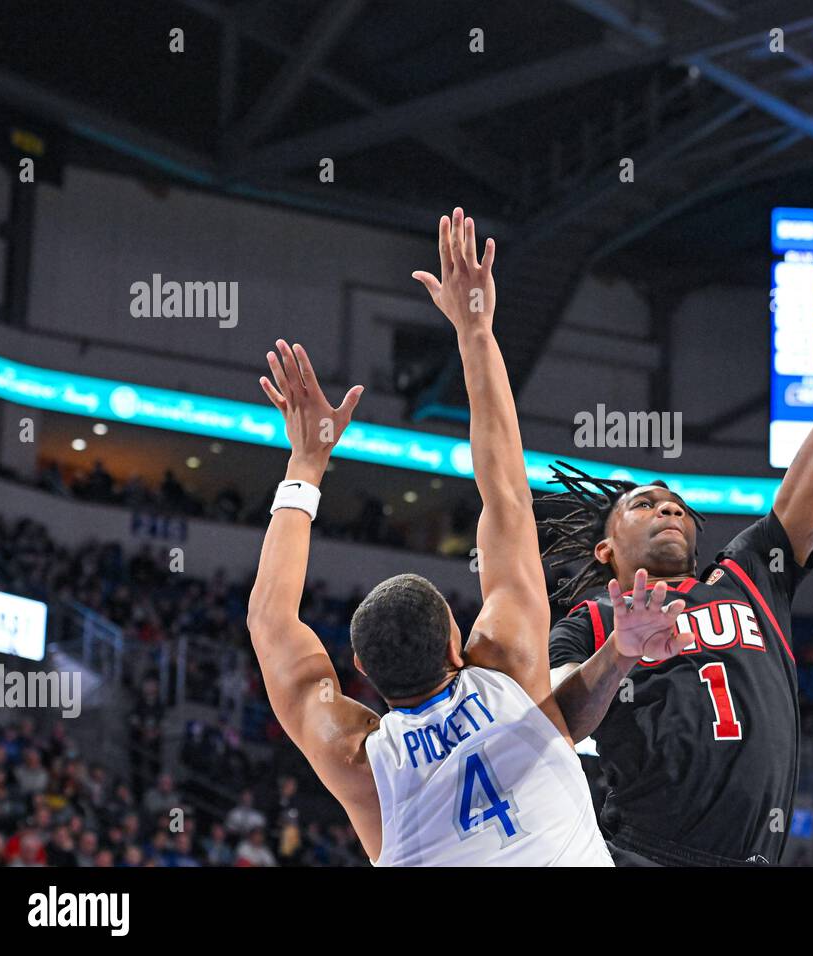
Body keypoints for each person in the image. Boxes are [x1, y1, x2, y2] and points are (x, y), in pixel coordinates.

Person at [544, 194, 813, 866]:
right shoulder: (589, 623)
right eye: (645, 504)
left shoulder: (750, 575)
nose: (668, 509)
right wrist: (621, 651)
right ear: (606, 548)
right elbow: (558, 725)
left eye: (676, 504)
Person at [246, 208, 620, 865]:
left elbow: (269, 621)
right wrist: (475, 330)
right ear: (458, 639)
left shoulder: (355, 758)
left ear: (361, 670)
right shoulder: (506, 664)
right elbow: (504, 492)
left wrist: (304, 467)